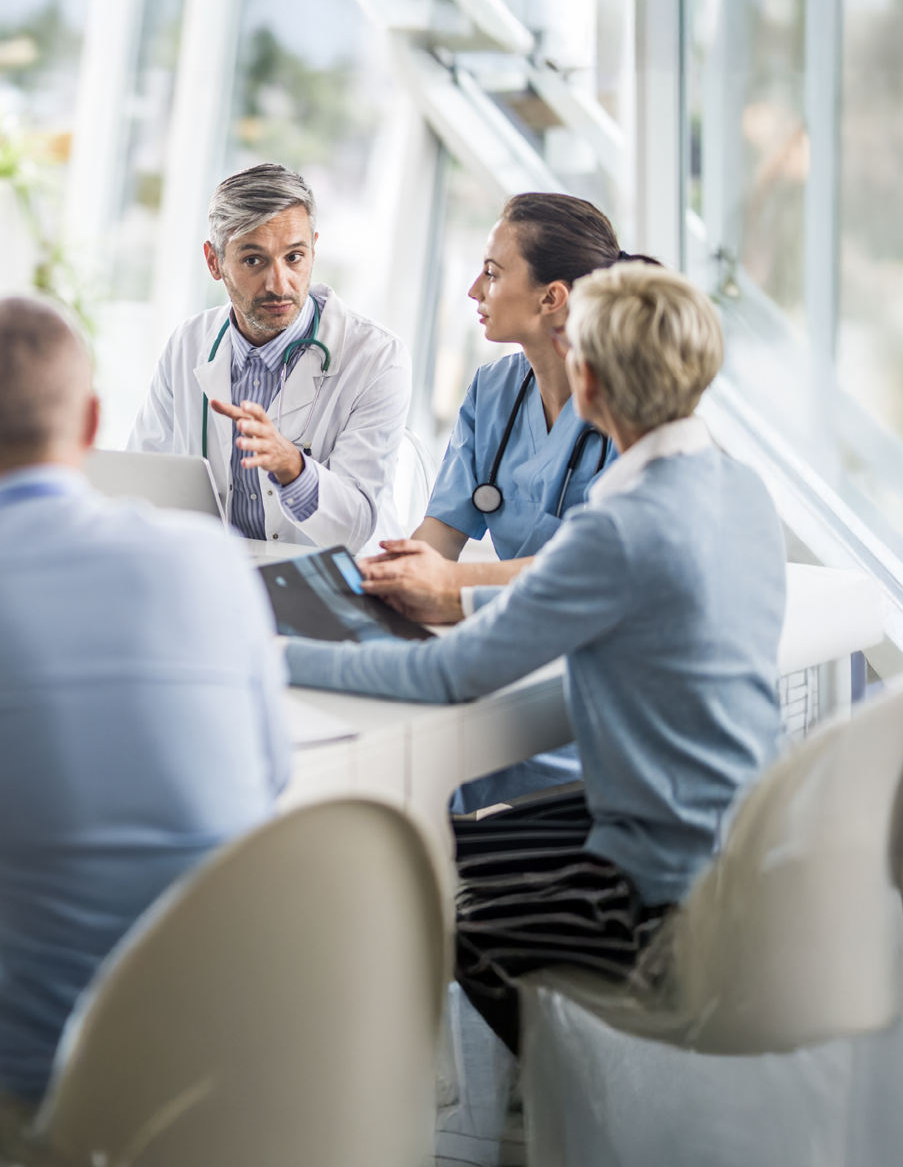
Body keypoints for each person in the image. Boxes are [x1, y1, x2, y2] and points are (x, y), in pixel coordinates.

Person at [281, 264, 785, 1052]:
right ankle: (574, 1076)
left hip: (655, 882)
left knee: (410, 884)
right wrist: (467, 600)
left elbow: (441, 677)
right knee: (428, 850)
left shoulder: (619, 527)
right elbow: (611, 602)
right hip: (739, 838)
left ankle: (593, 1087)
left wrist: (266, 655)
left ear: (583, 378)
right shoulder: (737, 487)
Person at [0, 296, 290, 1138]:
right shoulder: (211, 559)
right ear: (90, 421)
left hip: (54, 1082)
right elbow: (270, 775)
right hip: (245, 1057)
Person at [362, 193, 645, 809]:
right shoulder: (493, 390)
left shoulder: (631, 411)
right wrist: (380, 578)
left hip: (585, 678)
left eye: (492, 273)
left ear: (552, 298)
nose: (473, 290)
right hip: (510, 642)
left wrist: (448, 584)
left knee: (427, 769)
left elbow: (590, 571)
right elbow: (438, 535)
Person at [129, 162, 411, 553]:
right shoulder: (186, 344)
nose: (279, 284)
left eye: (294, 257)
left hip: (336, 585)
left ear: (314, 248)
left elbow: (357, 525)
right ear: (214, 262)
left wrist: (293, 468)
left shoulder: (377, 358)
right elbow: (142, 480)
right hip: (223, 575)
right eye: (253, 260)